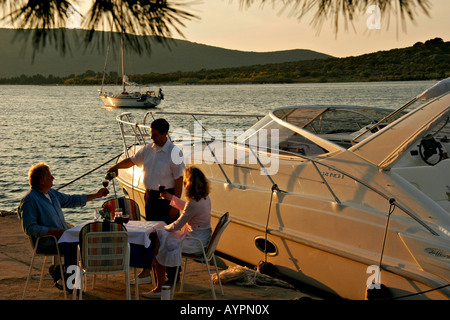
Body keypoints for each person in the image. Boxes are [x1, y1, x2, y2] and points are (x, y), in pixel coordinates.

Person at [107, 118, 184, 283]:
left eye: (155, 135)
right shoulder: (148, 149)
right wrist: (116, 167)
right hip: (150, 198)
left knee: (168, 238)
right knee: (152, 236)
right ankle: (150, 271)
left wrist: (174, 204)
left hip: (167, 198)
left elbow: (179, 180)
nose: (152, 138)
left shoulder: (175, 152)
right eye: (151, 134)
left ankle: (173, 275)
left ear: (165, 134)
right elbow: (132, 161)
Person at [18, 162, 109, 290]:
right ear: (41, 180)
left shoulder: (52, 194)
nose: (53, 178)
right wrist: (56, 232)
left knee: (86, 241)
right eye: (50, 176)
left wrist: (96, 195)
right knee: (74, 245)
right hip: (47, 241)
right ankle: (71, 283)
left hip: (62, 237)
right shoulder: (29, 200)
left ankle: (62, 273)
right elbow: (30, 228)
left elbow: (71, 200)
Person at [142, 166, 212, 298]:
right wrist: (171, 198)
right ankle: (157, 280)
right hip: (200, 237)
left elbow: (177, 225)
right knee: (161, 239)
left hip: (193, 242)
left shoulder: (193, 204)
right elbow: (189, 208)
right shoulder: (205, 198)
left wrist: (160, 228)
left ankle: (158, 287)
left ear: (189, 183)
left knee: (159, 241)